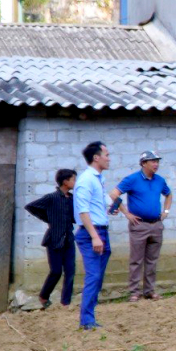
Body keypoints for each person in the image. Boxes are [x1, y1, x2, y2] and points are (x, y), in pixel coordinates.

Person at [115, 149, 173, 301]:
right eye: (153, 161)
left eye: (157, 161)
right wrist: (126, 213)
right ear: (143, 163)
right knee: (136, 260)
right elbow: (114, 194)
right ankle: (134, 292)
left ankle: (149, 290)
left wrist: (166, 211)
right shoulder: (132, 179)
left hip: (156, 225)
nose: (156, 164)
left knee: (152, 260)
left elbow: (168, 194)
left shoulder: (159, 180)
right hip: (139, 225)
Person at [72, 140, 116, 330]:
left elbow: (96, 204)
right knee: (94, 276)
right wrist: (95, 236)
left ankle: (89, 317)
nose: (109, 159)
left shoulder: (98, 178)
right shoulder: (86, 179)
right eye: (106, 155)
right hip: (93, 233)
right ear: (96, 158)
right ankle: (87, 321)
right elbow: (83, 211)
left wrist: (110, 209)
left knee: (97, 277)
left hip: (100, 231)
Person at [24, 169, 77, 310]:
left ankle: (66, 303)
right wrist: (48, 218)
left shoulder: (72, 199)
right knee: (56, 271)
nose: (75, 182)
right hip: (54, 239)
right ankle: (43, 296)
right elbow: (31, 206)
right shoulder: (52, 197)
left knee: (70, 271)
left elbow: (75, 216)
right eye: (73, 180)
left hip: (68, 240)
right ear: (65, 182)